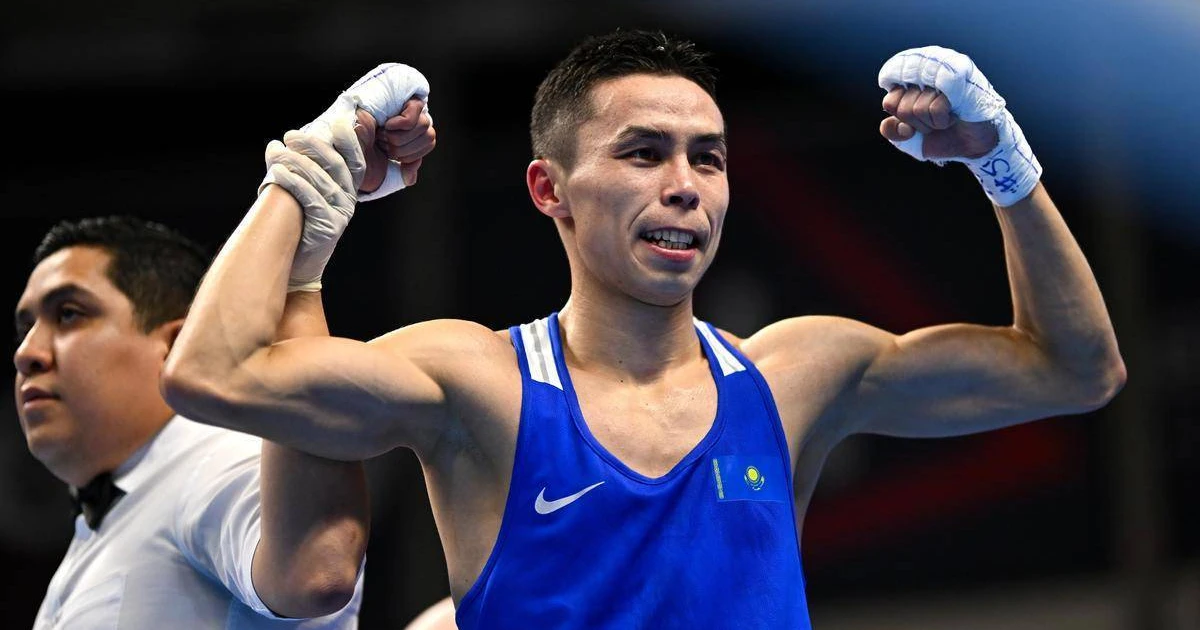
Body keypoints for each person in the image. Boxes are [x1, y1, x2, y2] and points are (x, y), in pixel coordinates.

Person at [162, 31, 1125, 628]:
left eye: (708, 158)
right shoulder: (477, 382)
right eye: (644, 153)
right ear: (550, 190)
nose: (684, 186)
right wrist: (306, 183)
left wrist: (1004, 164)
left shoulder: (795, 375)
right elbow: (212, 372)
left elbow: (1074, 369)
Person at [13, 216, 368, 628]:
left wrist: (297, 282)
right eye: (25, 328)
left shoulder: (214, 459)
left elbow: (318, 569)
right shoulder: (105, 522)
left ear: (175, 345)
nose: (25, 353)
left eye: (68, 314)